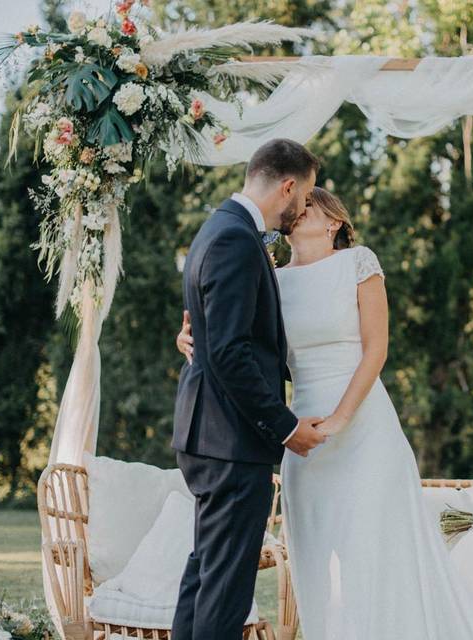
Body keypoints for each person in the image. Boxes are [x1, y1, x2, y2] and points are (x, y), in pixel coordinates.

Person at [176, 184, 473, 639]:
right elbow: (240, 341)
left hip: (365, 428)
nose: (296, 208)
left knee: (373, 549)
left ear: (334, 222)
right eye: (297, 201)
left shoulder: (358, 263)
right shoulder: (272, 277)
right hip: (301, 431)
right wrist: (190, 339)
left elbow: (376, 349)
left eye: (308, 203)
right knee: (316, 554)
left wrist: (343, 419)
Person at [171, 138, 328, 640]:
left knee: (206, 576)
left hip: (211, 436)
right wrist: (285, 429)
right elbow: (231, 353)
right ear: (287, 186)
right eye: (303, 198)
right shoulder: (237, 239)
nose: (302, 209)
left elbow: (214, 334)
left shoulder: (218, 228)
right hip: (230, 442)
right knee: (225, 592)